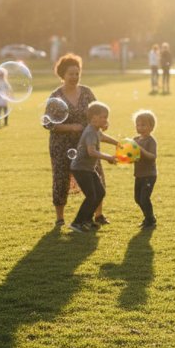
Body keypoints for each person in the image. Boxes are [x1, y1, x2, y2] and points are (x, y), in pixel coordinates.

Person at [44, 54, 115, 229]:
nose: (75, 77)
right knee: (61, 179)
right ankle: (60, 218)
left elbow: (99, 112)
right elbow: (48, 123)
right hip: (62, 144)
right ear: (62, 75)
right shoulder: (56, 96)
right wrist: (71, 127)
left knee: (96, 176)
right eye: (71, 74)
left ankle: (98, 215)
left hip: (87, 143)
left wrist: (104, 122)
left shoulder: (87, 92)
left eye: (77, 73)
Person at [69, 101, 117, 233]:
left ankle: (88, 220)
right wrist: (108, 158)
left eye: (106, 117)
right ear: (94, 117)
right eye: (103, 117)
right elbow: (91, 152)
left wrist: (117, 143)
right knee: (91, 195)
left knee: (100, 192)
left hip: (88, 168)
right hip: (80, 168)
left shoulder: (96, 130)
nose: (106, 120)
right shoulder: (90, 132)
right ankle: (77, 222)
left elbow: (103, 137)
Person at [132, 110, 158, 229]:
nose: (140, 127)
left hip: (149, 175)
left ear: (151, 127)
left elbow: (152, 157)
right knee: (137, 199)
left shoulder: (150, 141)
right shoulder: (135, 139)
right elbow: (134, 156)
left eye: (143, 125)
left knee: (144, 198)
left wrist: (141, 150)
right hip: (139, 174)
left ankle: (150, 220)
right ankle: (148, 217)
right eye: (138, 125)